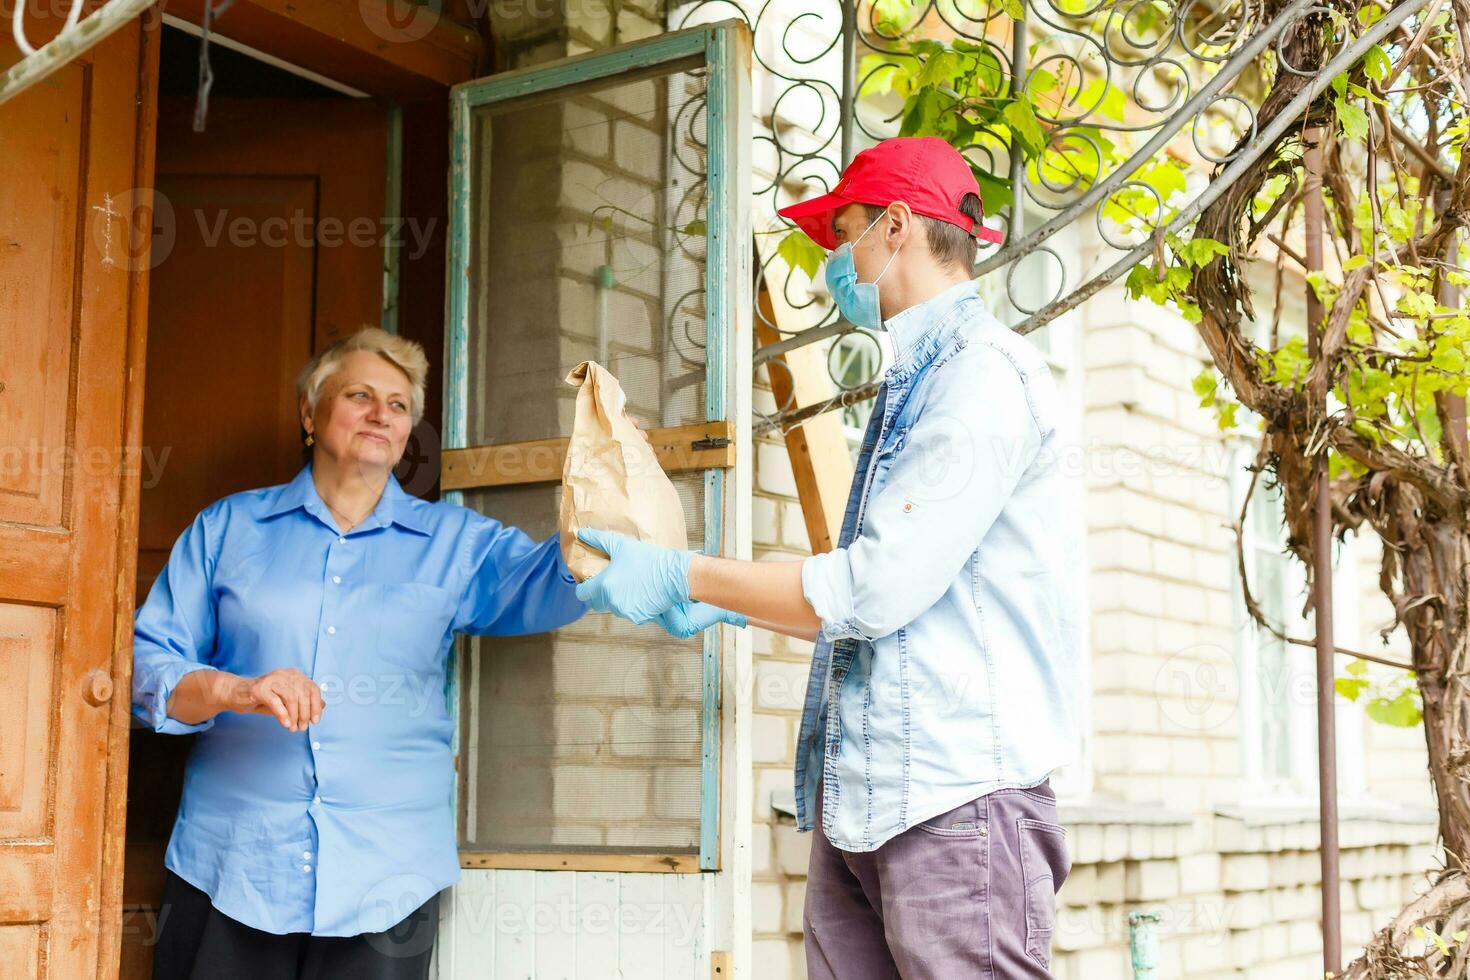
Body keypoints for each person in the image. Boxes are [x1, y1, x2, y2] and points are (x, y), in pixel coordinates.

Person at [577, 136, 1081, 978]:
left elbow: (872, 590)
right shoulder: (919, 379)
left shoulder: (981, 378)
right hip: (869, 804)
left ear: (894, 229)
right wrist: (733, 600)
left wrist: (686, 573)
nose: (831, 265)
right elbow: (903, 599)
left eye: (841, 236)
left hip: (954, 805)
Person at [132, 327, 587, 980]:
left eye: (399, 405)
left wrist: (605, 504)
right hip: (232, 866)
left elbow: (554, 583)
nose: (382, 413)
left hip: (389, 876)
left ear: (408, 433)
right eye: (360, 395)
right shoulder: (227, 528)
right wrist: (238, 690)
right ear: (309, 414)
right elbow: (149, 670)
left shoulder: (455, 543)